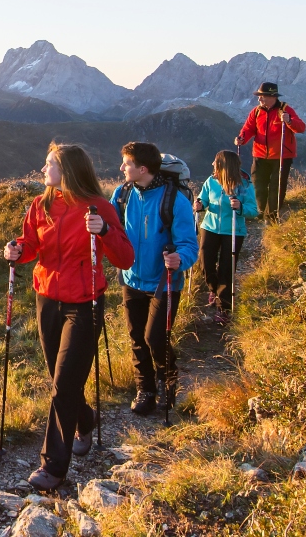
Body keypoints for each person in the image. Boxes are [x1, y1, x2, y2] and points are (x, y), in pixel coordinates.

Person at [3, 143, 133, 490]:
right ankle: (85, 419)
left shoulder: (99, 208)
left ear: (68, 170)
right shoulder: (41, 204)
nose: (43, 169)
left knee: (63, 385)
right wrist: (16, 250)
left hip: (85, 302)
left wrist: (104, 230)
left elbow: (124, 258)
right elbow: (31, 244)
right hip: (46, 299)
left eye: (49, 164)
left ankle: (53, 467)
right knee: (64, 382)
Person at [109, 142, 198, 418]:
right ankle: (145, 389)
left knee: (154, 337)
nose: (122, 168)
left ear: (142, 169)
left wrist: (179, 259)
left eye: (127, 164)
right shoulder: (122, 194)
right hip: (131, 278)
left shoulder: (174, 200)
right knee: (137, 337)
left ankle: (167, 382)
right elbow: (111, 224)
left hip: (164, 282)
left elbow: (189, 245)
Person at [193, 150, 257, 321]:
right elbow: (203, 198)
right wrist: (200, 204)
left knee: (227, 269)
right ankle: (214, 289)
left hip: (234, 230)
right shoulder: (211, 181)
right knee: (205, 263)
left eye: (215, 162)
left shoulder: (245, 185)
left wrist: (241, 207)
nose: (213, 165)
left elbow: (253, 210)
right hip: (210, 227)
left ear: (223, 165)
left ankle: (224, 308)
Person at [236, 82, 306, 220]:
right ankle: (260, 212)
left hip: (281, 156)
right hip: (260, 155)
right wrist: (242, 139)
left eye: (262, 96)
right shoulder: (256, 111)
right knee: (257, 184)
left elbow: (301, 128)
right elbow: (248, 129)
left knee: (276, 187)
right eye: (259, 96)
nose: (259, 99)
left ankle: (272, 215)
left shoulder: (286, 110)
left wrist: (289, 120)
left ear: (272, 96)